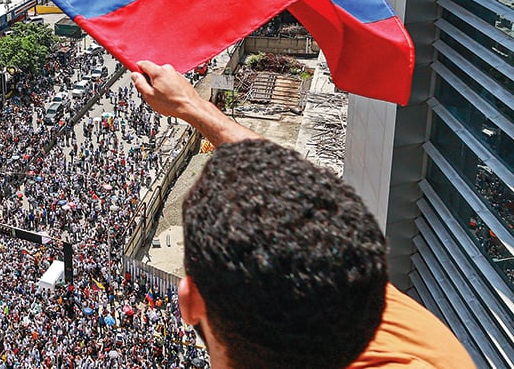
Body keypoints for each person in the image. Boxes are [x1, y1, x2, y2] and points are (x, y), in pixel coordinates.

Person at [131, 61, 475, 369]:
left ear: (190, 301)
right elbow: (293, 193)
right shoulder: (362, 309)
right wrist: (193, 107)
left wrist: (194, 108)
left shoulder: (360, 305)